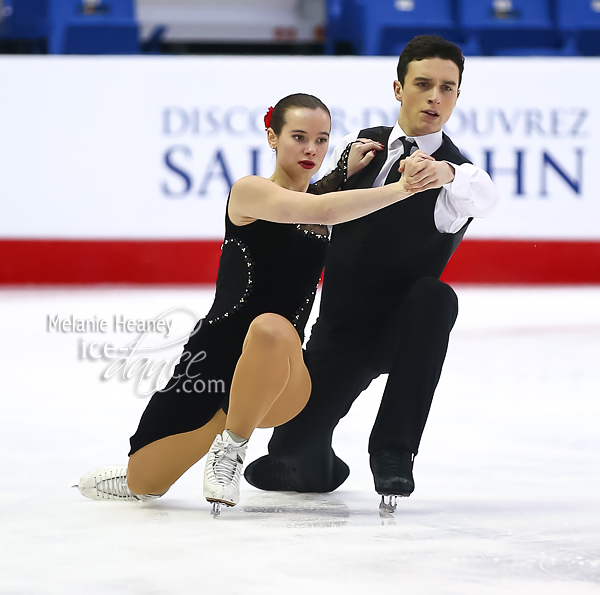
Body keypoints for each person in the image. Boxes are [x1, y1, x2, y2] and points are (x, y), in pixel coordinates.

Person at [76, 93, 423, 514]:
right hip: (212, 363)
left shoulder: (318, 200)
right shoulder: (249, 192)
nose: (311, 149)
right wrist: (400, 189)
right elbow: (316, 208)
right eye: (298, 137)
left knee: (271, 326)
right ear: (272, 137)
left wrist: (343, 174)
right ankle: (134, 477)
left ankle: (231, 449)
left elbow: (317, 203)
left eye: (321, 139)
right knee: (146, 484)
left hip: (281, 374)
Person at [244, 36, 500, 507]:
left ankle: (393, 452)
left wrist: (445, 174)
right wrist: (340, 174)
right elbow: (311, 213)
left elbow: (484, 196)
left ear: (458, 96)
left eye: (448, 88)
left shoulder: (459, 175)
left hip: (401, 327)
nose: (435, 97)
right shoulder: (365, 145)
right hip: (338, 331)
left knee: (436, 297)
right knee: (291, 460)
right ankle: (311, 458)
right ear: (399, 89)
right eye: (423, 84)